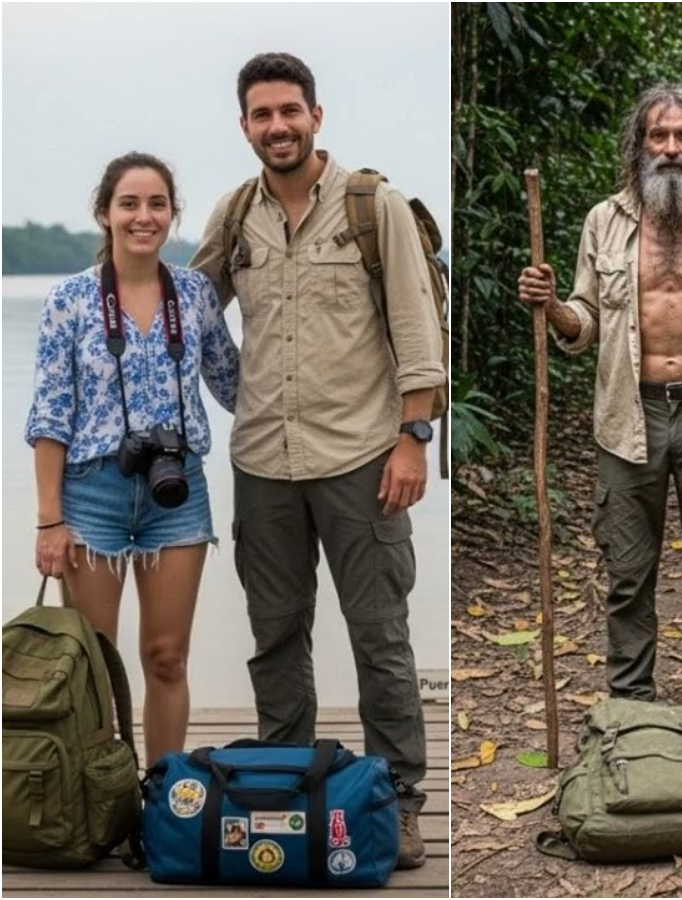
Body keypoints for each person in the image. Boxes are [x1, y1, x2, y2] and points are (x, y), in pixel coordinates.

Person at [191, 52, 444, 868]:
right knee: (275, 636)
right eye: (262, 116)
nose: (277, 127)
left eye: (289, 112)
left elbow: (416, 328)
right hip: (263, 458)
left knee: (380, 637)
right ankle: (288, 787)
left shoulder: (376, 207)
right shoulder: (235, 217)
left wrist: (414, 437)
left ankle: (400, 799)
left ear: (316, 116)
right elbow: (187, 317)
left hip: (363, 459)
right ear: (244, 127)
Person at [518, 84, 682, 754]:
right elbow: (584, 321)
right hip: (627, 420)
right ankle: (631, 702)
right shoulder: (604, 223)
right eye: (658, 136)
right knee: (627, 570)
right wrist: (551, 306)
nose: (670, 148)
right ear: (639, 145)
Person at [26, 152, 239, 767]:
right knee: (94, 664)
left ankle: (163, 794)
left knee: (167, 656)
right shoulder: (70, 300)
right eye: (129, 203)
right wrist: (48, 519)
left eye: (157, 204)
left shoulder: (195, 294)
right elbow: (50, 415)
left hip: (177, 491)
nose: (143, 217)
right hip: (91, 493)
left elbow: (234, 385)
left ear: (173, 215)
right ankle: (103, 792)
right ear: (104, 213)